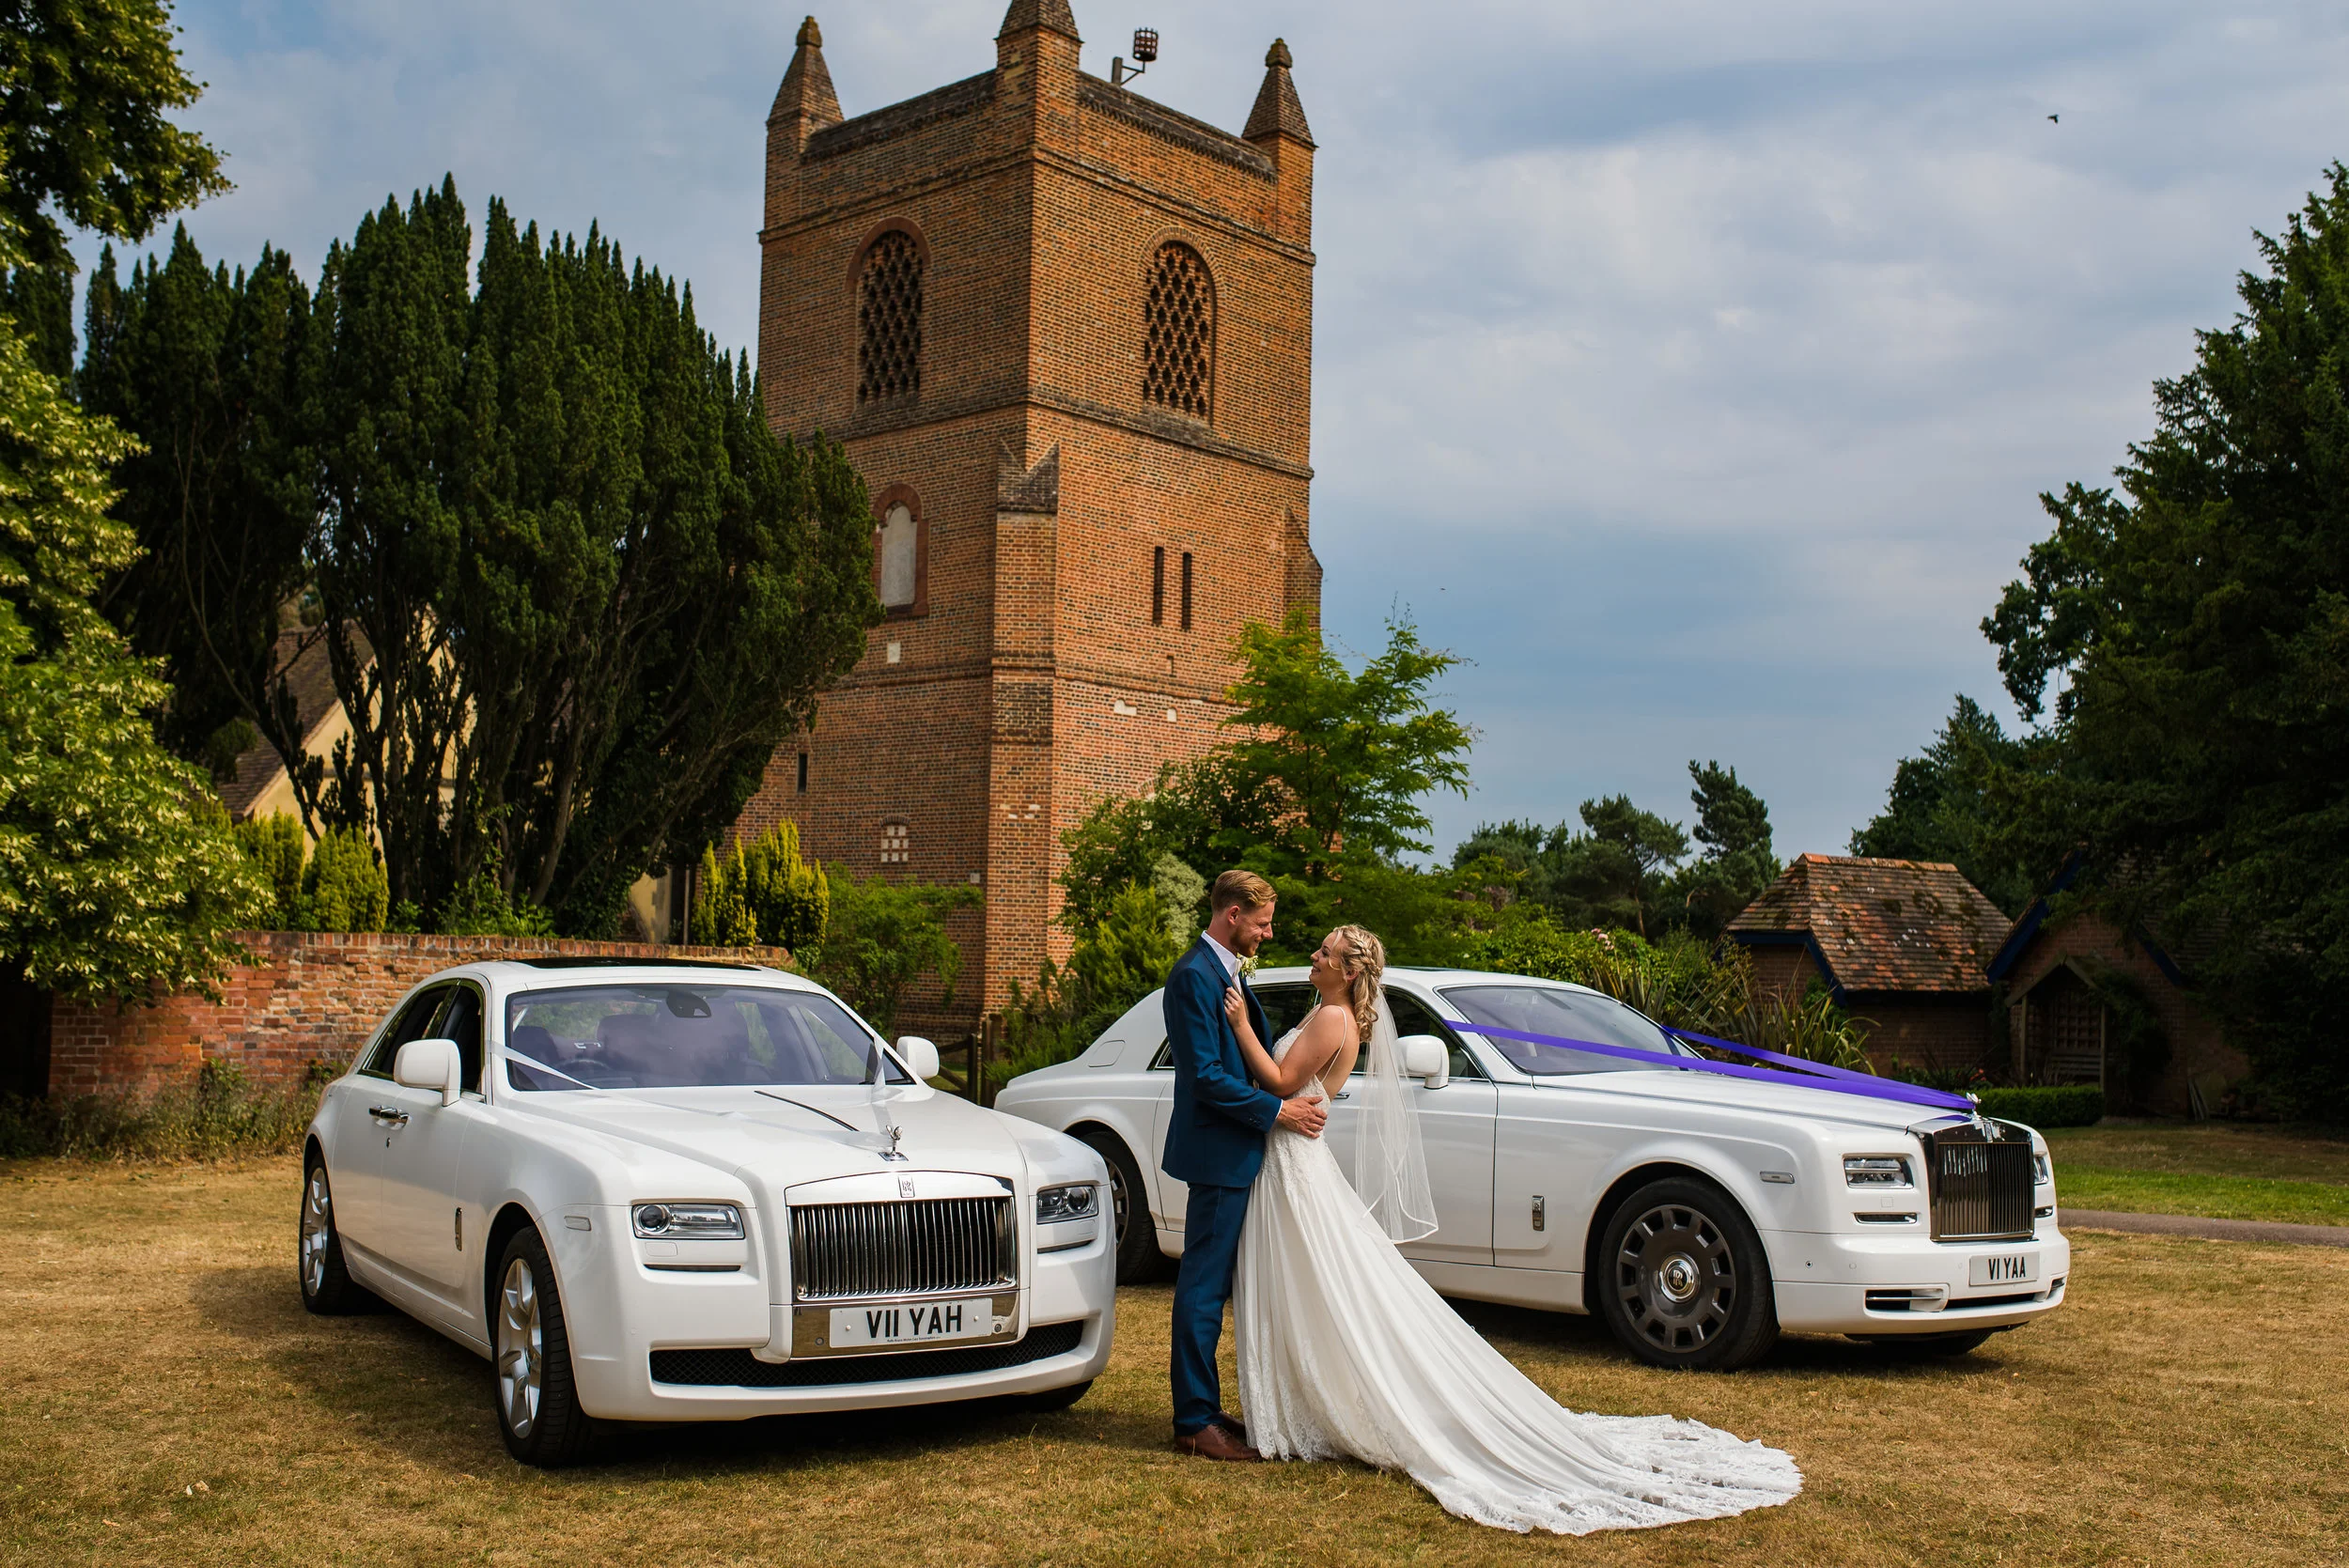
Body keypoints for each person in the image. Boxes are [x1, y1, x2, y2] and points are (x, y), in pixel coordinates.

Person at [1222, 923, 1805, 1533]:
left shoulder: (1329, 1019)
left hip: (1293, 1158)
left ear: (1347, 971)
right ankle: (1306, 1401)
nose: (1312, 955)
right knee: (1321, 1280)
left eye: (1324, 953)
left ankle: (1309, 1405)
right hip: (1295, 1158)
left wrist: (1239, 1024)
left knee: (1316, 1280)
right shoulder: (1341, 1018)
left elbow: (1284, 1083)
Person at [1159, 870, 1327, 1462]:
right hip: (1218, 1151)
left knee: (1214, 1284)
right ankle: (1194, 1421)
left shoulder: (1222, 971)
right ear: (1232, 915)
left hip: (1235, 1149)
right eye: (1262, 922)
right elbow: (1204, 1077)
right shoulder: (1191, 977)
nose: (1269, 932)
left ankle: (1204, 1407)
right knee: (1202, 1287)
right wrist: (1277, 1111)